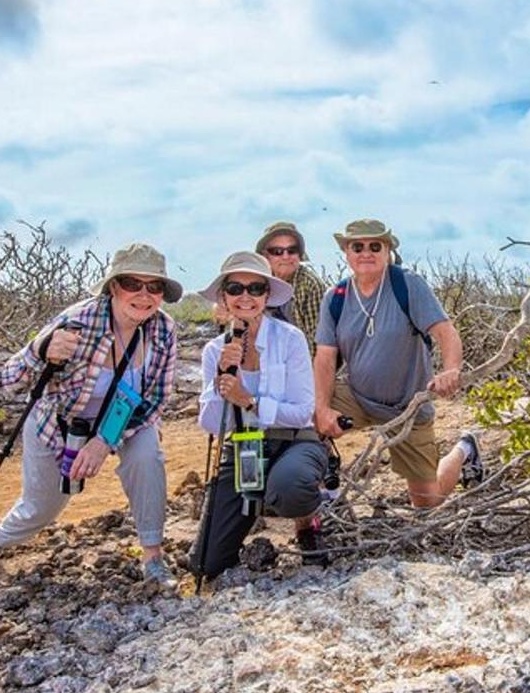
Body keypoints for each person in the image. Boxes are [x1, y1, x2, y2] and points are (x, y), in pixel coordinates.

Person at [0, 243, 182, 588]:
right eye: (132, 284)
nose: (144, 295)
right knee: (44, 505)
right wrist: (41, 349)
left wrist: (104, 441)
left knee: (147, 457)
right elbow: (8, 380)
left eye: (154, 286)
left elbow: (156, 397)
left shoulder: (164, 331)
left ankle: (153, 557)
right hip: (59, 421)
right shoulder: (78, 320)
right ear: (113, 287)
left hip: (125, 420)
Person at [313, 218, 483, 508]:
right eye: (358, 246)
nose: (366, 252)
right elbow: (325, 357)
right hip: (358, 397)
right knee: (303, 417)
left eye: (375, 246)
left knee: (428, 502)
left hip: (408, 406)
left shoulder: (408, 285)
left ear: (388, 250)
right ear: (347, 252)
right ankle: (324, 495)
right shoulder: (335, 297)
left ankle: (464, 449)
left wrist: (451, 370)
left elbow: (445, 332)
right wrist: (321, 408)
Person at [189, 251, 330, 581]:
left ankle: (307, 523)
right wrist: (222, 376)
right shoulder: (214, 350)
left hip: (293, 442)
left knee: (291, 485)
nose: (245, 297)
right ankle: (248, 513)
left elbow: (300, 413)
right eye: (236, 288)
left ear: (267, 296)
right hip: (242, 448)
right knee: (206, 565)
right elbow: (210, 424)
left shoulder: (290, 339)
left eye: (255, 289)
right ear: (224, 297)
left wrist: (248, 400)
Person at [255, 221, 327, 353]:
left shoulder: (310, 285)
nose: (285, 257)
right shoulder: (257, 282)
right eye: (277, 251)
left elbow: (316, 343)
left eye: (292, 250)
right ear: (266, 256)